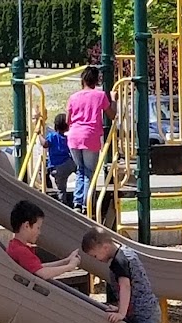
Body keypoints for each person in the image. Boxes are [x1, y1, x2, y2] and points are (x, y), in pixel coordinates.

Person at [81, 226, 161, 323]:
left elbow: (125, 287)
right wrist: (120, 307)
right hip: (143, 310)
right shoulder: (124, 252)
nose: (96, 259)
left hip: (143, 313)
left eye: (95, 256)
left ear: (105, 247)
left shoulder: (119, 261)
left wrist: (121, 313)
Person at [66, 66, 117, 214]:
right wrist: (113, 99)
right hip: (90, 136)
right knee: (89, 171)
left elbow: (68, 119)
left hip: (74, 136)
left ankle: (77, 201)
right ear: (96, 81)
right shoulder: (100, 96)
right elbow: (112, 115)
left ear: (83, 80)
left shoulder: (73, 97)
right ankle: (85, 203)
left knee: (80, 170)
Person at [7, 200, 80, 279]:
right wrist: (69, 267)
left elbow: (38, 267)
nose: (39, 232)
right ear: (27, 226)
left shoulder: (14, 246)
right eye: (38, 228)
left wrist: (66, 261)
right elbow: (42, 273)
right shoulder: (21, 251)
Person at [37, 113, 76, 206]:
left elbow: (45, 144)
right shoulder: (67, 138)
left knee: (61, 188)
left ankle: (63, 203)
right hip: (68, 163)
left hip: (56, 166)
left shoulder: (52, 136)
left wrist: (39, 134)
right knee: (80, 170)